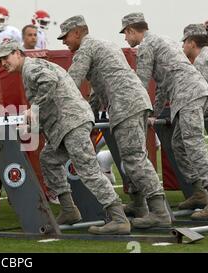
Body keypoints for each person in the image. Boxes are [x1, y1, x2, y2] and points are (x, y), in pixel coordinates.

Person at [0, 40, 130, 235]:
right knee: (48, 159)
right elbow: (52, 99)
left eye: (5, 58)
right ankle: (68, 209)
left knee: (88, 170)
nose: (3, 63)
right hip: (65, 125)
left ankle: (119, 218)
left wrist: (34, 108)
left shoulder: (31, 67)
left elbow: (49, 83)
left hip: (71, 124)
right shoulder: (31, 68)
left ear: (17, 53)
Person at [58, 15, 169, 229]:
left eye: (66, 36)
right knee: (131, 158)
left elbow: (69, 84)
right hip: (132, 102)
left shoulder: (86, 50)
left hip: (126, 105)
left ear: (79, 32)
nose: (64, 41)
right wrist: (87, 117)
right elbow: (98, 91)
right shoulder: (104, 45)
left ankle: (159, 212)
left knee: (134, 159)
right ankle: (139, 205)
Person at [121, 12, 208, 222]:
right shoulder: (164, 41)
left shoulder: (146, 47)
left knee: (194, 145)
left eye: (126, 34)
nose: (126, 39)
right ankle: (199, 192)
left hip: (188, 94)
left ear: (132, 30)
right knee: (178, 143)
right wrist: (153, 112)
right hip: (188, 92)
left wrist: (137, 112)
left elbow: (141, 83)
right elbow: (162, 85)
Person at [181, 23, 208, 221]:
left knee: (197, 151)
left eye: (184, 42)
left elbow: (201, 92)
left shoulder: (201, 60)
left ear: (191, 43)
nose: (183, 46)